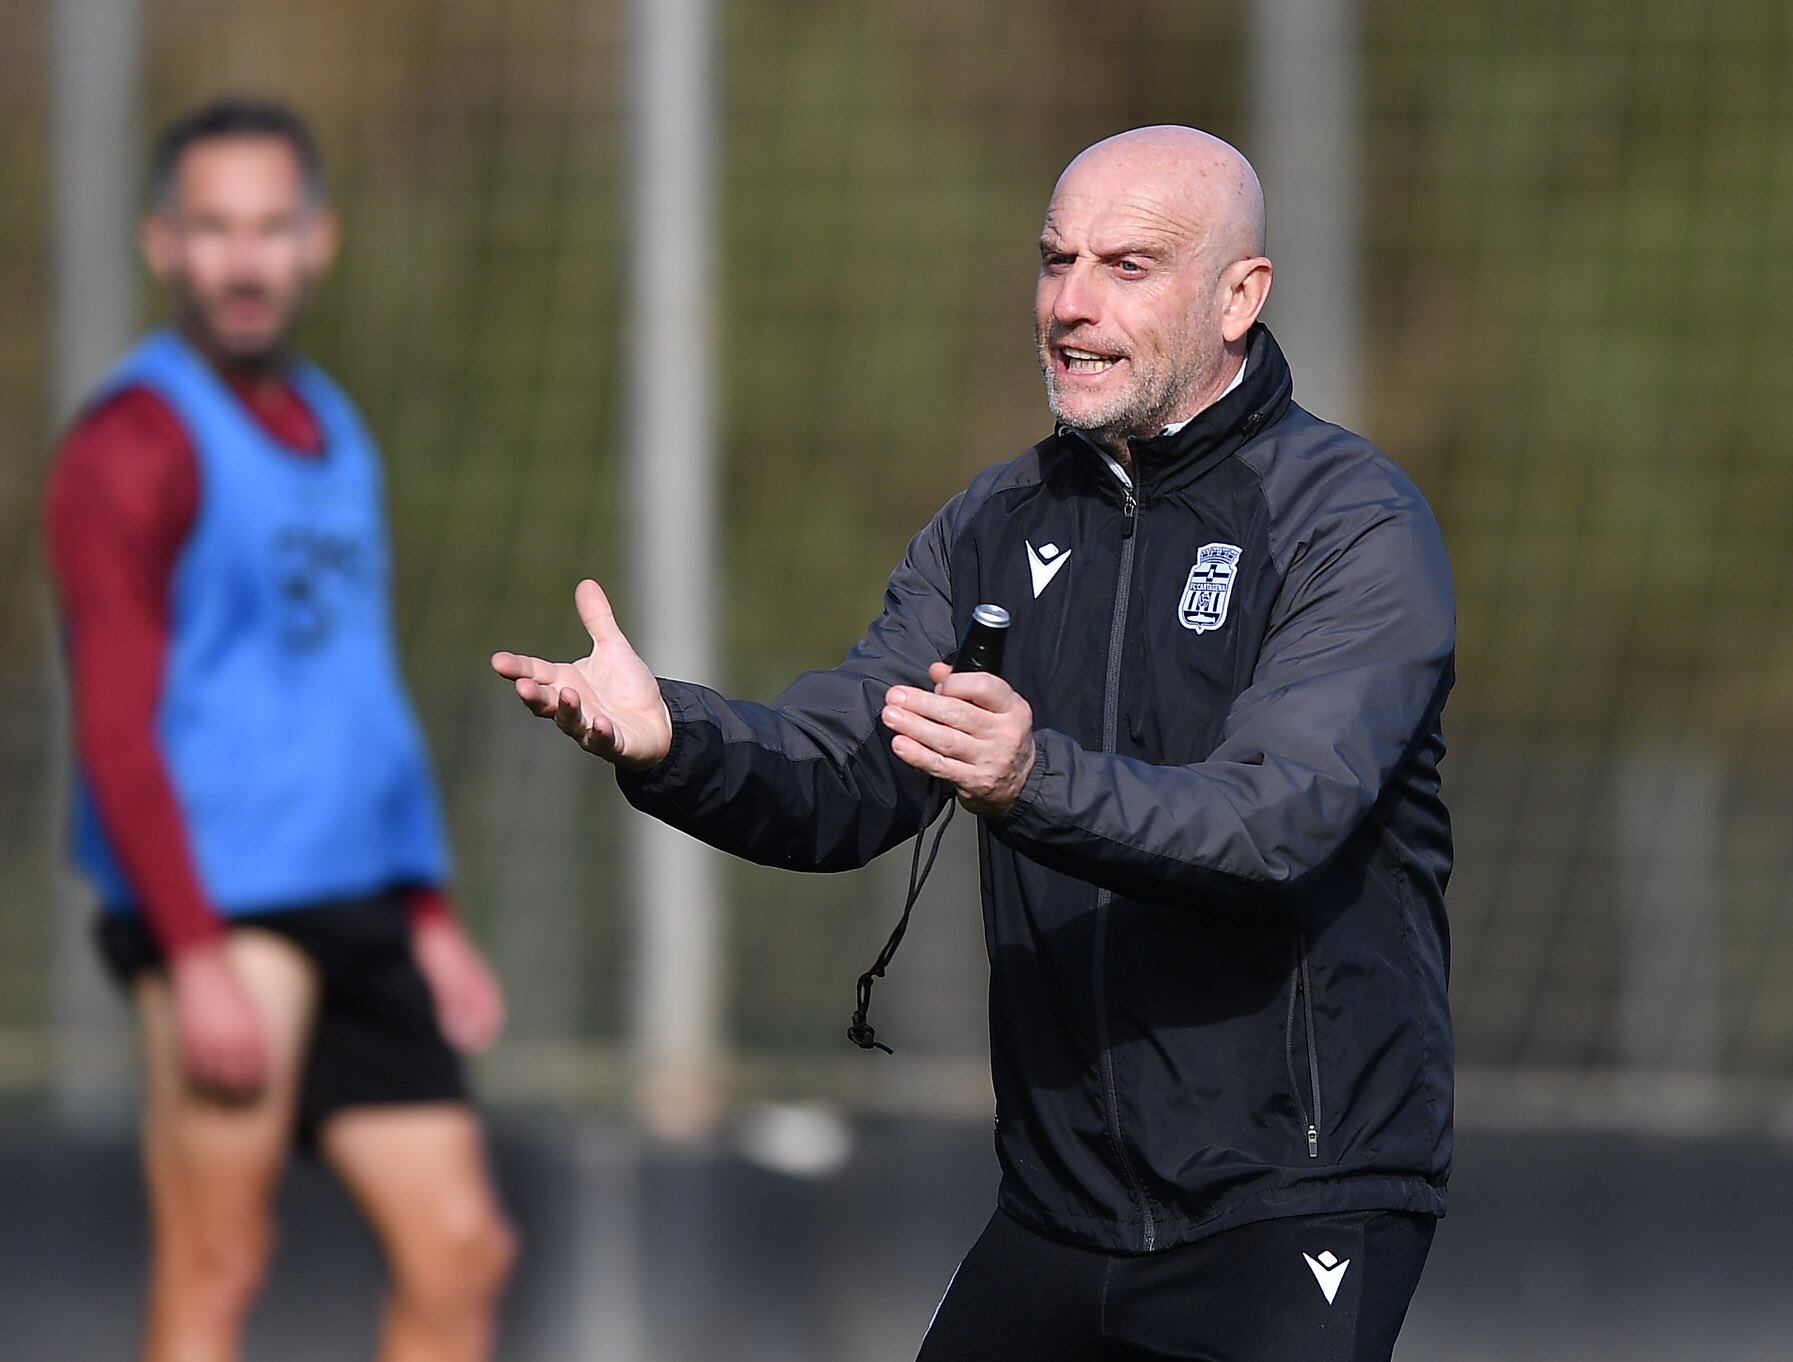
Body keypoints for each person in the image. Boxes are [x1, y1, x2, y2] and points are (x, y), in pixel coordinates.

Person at [495, 125, 1455, 1361]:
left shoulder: (1350, 524)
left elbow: (1272, 820)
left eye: (1126, 266)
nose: (1068, 304)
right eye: (1054, 261)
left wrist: (1028, 776)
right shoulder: (994, 524)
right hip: (1060, 1208)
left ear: (1239, 298)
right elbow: (850, 768)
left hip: (1287, 1201)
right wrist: (672, 737)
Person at [45, 98, 517, 1362]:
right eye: (213, 229)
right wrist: (191, 953)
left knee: (461, 1252)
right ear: (163, 245)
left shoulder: (333, 425)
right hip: (228, 909)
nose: (243, 260)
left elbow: (354, 690)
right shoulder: (133, 444)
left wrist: (427, 911)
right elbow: (111, 727)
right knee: (220, 1264)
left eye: (269, 227)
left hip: (359, 897)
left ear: (319, 241)